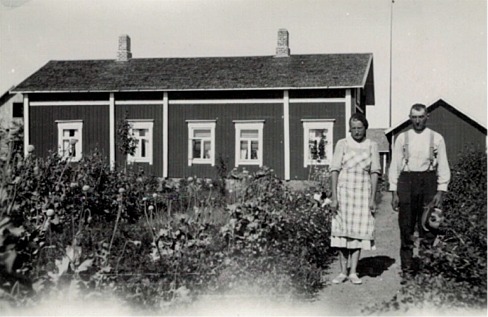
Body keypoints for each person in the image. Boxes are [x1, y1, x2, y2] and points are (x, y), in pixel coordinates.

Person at [388, 103, 450, 284]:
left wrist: (441, 190)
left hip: (429, 182)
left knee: (428, 228)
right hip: (406, 182)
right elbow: (395, 166)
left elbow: (444, 165)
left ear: (427, 117)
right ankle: (407, 270)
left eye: (421, 117)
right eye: (414, 117)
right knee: (406, 227)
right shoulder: (402, 138)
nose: (417, 121)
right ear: (410, 117)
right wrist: (394, 192)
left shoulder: (436, 138)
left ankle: (425, 270)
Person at [329, 113, 381, 285]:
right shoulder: (342, 144)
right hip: (344, 192)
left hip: (362, 193)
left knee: (358, 234)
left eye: (360, 128)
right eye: (354, 128)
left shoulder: (372, 146)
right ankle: (343, 271)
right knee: (342, 232)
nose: (357, 131)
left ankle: (353, 271)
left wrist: (372, 199)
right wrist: (334, 197)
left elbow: (375, 173)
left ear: (365, 128)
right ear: (349, 129)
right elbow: (335, 170)